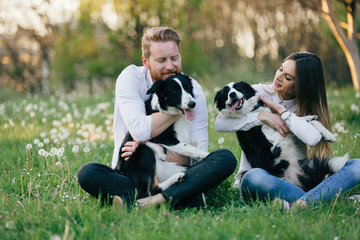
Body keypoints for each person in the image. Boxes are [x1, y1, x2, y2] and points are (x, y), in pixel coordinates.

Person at [77, 26, 237, 209]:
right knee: (88, 172)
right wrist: (178, 108)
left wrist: (156, 151)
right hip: (133, 172)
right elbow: (140, 131)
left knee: (226, 158)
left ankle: (149, 201)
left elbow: (196, 157)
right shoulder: (130, 78)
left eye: (174, 58)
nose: (170, 66)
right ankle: (183, 197)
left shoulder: (192, 89)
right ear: (145, 61)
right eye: (162, 60)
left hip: (177, 173)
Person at [215, 51, 360, 210]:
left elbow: (312, 139)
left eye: (288, 77)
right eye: (280, 69)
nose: (278, 77)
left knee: (357, 165)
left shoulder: (304, 107)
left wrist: (281, 111)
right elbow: (219, 123)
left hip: (297, 180)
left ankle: (301, 204)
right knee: (254, 177)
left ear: (302, 85)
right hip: (263, 180)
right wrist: (262, 116)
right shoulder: (257, 93)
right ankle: (329, 200)